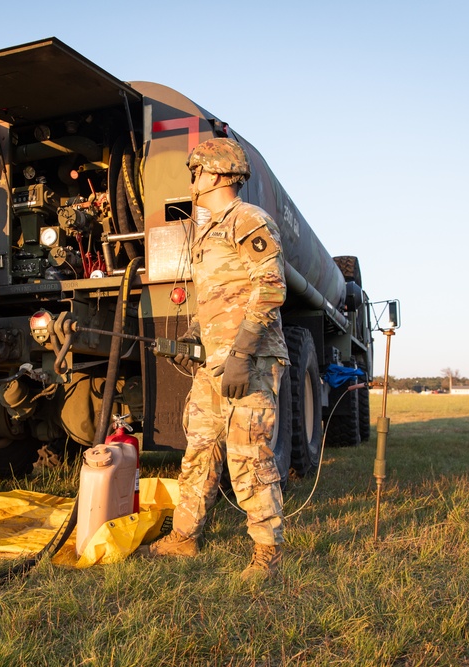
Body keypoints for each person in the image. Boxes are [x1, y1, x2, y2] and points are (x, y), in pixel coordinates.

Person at [149, 138, 288, 580]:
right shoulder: (209, 230)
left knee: (249, 452)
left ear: (215, 173)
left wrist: (242, 355)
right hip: (215, 364)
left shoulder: (247, 220)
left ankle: (268, 551)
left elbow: (270, 288)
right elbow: (218, 298)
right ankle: (185, 536)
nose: (192, 180)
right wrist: (191, 338)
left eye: (195, 171)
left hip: (247, 360)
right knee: (200, 449)